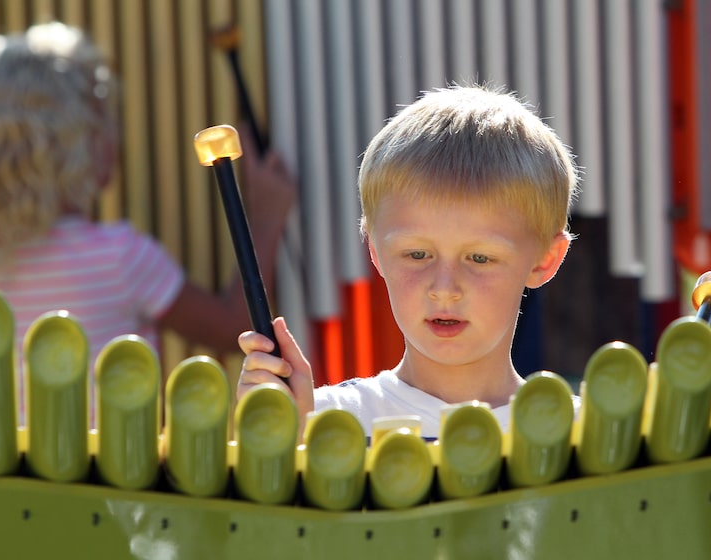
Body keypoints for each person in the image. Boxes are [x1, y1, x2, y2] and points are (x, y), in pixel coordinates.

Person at [0, 22, 296, 421]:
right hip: (113, 479)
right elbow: (236, 330)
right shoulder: (119, 257)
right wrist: (266, 217)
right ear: (76, 144)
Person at [237, 83, 579, 438]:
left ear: (545, 260)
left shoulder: (587, 435)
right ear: (375, 250)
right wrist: (280, 448)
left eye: (479, 258)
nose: (444, 290)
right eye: (417, 254)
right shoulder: (322, 423)